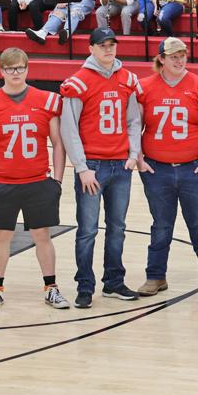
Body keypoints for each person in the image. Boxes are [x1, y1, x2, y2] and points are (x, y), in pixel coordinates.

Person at [0, 48, 69, 311]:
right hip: (1, 182)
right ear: (1, 71)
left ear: (27, 68)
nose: (15, 73)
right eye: (10, 68)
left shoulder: (47, 101)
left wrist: (57, 180)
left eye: (20, 68)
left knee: (42, 235)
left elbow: (58, 143)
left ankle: (51, 287)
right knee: (2, 236)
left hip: (37, 180)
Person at [59, 28, 143, 308]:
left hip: (121, 165)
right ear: (91, 48)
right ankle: (85, 286)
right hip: (92, 167)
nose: (109, 50)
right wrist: (82, 168)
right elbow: (69, 128)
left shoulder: (127, 79)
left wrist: (133, 153)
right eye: (103, 45)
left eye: (112, 45)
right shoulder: (78, 82)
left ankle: (114, 282)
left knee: (118, 227)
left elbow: (133, 120)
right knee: (87, 230)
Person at [136, 37, 198, 297]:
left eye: (182, 54)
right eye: (173, 55)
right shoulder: (144, 88)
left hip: (192, 168)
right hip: (157, 169)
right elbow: (135, 126)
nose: (179, 59)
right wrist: (139, 159)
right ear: (161, 58)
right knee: (161, 225)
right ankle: (155, 276)